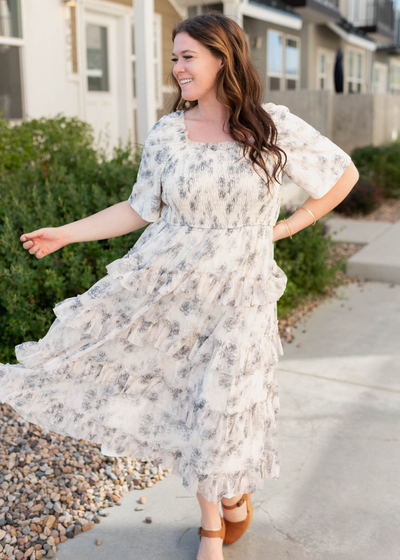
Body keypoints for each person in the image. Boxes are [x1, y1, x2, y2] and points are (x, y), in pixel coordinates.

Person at [0, 12, 359, 560]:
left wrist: (286, 226)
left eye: (188, 57)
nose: (178, 69)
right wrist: (65, 235)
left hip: (241, 293)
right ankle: (212, 529)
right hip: (171, 292)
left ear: (223, 58)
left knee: (224, 401)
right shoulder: (169, 132)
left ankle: (231, 501)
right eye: (174, 58)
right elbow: (139, 207)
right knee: (192, 406)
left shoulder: (271, 124)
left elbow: (343, 175)